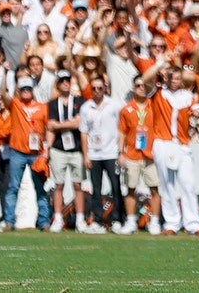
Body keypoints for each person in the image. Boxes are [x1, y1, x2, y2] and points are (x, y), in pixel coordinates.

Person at [143, 62, 199, 236]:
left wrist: (198, 114)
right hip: (162, 142)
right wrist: (159, 64)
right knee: (167, 184)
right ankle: (172, 223)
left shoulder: (187, 96)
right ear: (167, 78)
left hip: (182, 143)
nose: (176, 81)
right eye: (173, 78)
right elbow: (145, 79)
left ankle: (193, 223)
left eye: (179, 78)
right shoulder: (158, 93)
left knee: (187, 183)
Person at [0, 76, 51, 231]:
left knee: (40, 188)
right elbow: (2, 94)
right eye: (23, 89)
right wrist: (5, 73)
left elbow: (48, 129)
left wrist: (46, 149)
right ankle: (9, 221)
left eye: (29, 88)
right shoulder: (15, 104)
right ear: (19, 91)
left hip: (37, 153)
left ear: (32, 90)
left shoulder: (43, 107)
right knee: (13, 187)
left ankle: (44, 222)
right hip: (18, 152)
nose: (26, 91)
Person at [79, 75, 126, 234]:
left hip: (112, 152)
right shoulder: (86, 107)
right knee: (96, 189)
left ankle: (118, 220)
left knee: (115, 187)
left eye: (100, 88)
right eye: (94, 88)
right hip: (94, 154)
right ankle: (98, 221)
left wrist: (121, 152)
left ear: (105, 88)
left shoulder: (114, 105)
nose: (97, 91)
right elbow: (84, 133)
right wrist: (86, 155)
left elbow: (121, 130)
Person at [116, 75, 162, 235]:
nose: (141, 88)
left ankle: (155, 221)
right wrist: (121, 153)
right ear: (133, 88)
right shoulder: (126, 109)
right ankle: (131, 221)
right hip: (132, 154)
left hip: (150, 155)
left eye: (144, 85)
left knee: (154, 189)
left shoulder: (155, 106)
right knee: (130, 189)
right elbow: (122, 132)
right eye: (138, 85)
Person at [46, 70, 86, 233]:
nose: (65, 83)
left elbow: (78, 123)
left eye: (67, 80)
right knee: (59, 185)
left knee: (78, 185)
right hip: (58, 148)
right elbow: (50, 127)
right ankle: (58, 217)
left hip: (76, 148)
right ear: (57, 83)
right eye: (62, 81)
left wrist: (59, 125)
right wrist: (47, 148)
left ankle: (80, 219)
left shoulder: (79, 101)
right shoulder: (52, 104)